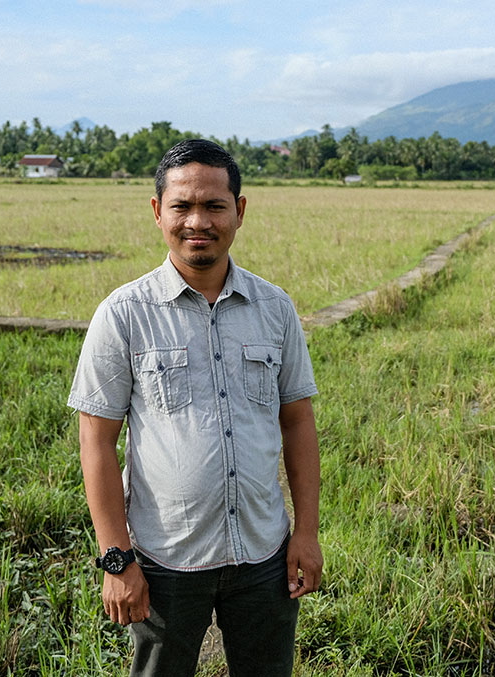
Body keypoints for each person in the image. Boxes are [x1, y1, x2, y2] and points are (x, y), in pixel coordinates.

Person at [68, 138, 322, 677]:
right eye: (182, 206)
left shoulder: (275, 308)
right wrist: (117, 559)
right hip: (164, 563)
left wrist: (306, 533)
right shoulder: (124, 314)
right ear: (158, 212)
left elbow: (298, 422)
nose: (197, 221)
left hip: (263, 556)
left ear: (240, 211)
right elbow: (97, 441)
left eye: (214, 205)